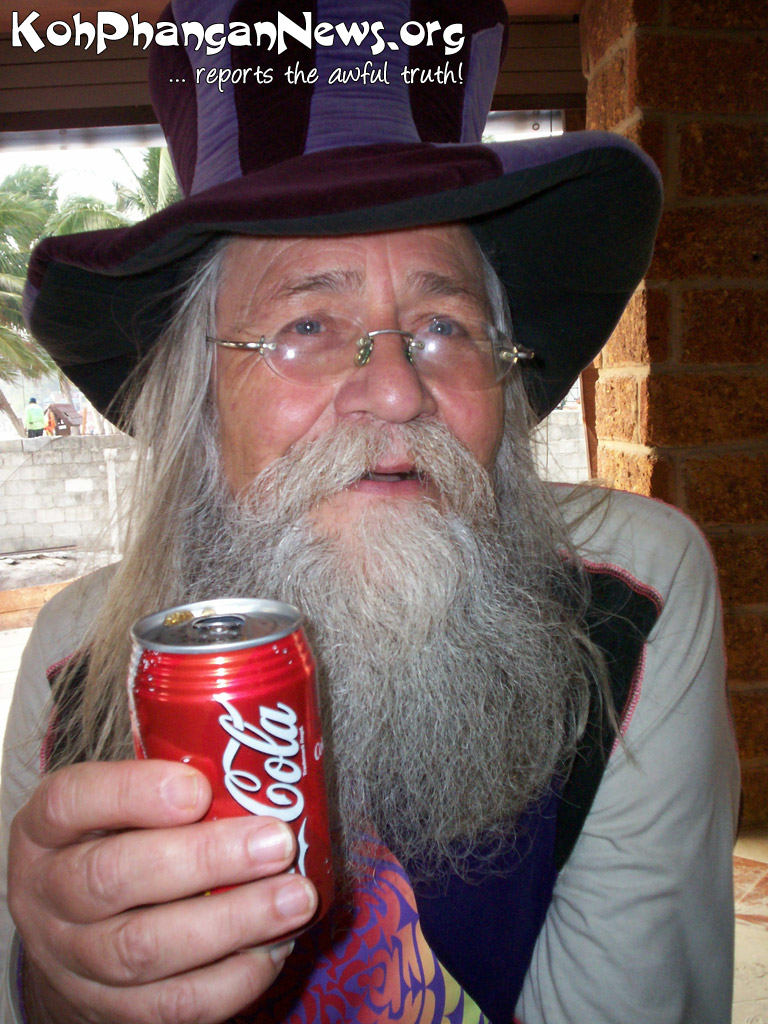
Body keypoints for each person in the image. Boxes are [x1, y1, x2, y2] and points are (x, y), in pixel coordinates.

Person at [0, 2, 739, 1023]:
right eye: (308, 322)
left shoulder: (633, 605)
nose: (396, 391)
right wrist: (60, 992)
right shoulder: (72, 667)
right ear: (198, 399)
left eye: (446, 325)